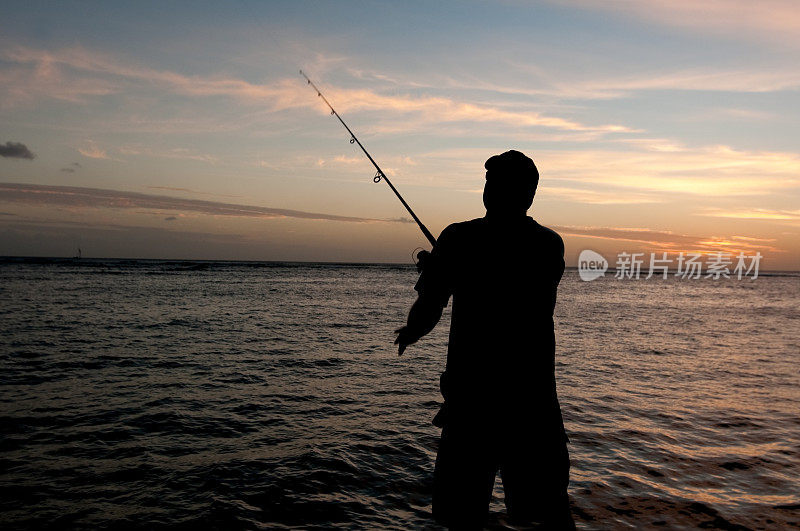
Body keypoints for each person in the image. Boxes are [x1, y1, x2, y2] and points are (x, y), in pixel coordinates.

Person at [395, 150, 573, 529]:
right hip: (534, 405)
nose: (489, 189)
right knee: (545, 516)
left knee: (459, 517)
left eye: (493, 182)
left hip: (472, 408)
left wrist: (411, 329)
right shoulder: (549, 245)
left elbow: (430, 308)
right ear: (530, 196)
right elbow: (517, 288)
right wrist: (445, 268)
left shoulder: (459, 238)